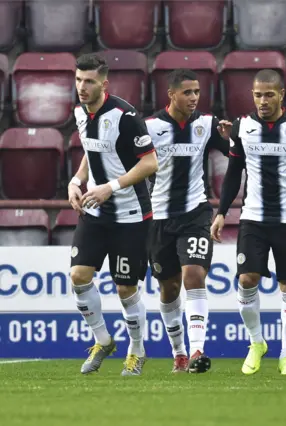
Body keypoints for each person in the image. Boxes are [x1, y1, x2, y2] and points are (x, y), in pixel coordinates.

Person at [210, 69, 286, 376]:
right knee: (246, 280)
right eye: (257, 95)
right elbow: (234, 173)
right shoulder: (242, 127)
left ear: (281, 94)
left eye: (269, 94)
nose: (262, 101)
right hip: (253, 218)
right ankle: (257, 343)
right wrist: (221, 212)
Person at [68, 53, 158, 376]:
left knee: (125, 288)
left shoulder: (125, 115)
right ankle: (103, 340)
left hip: (130, 214)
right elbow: (91, 151)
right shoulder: (80, 111)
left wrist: (111, 186)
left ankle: (137, 349)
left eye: (89, 81)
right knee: (79, 276)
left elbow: (150, 163)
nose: (82, 87)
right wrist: (76, 181)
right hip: (95, 211)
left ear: (104, 84)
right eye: (78, 80)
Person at [145, 69, 231, 374]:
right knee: (168, 288)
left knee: (194, 275)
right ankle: (179, 352)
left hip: (195, 213)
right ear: (171, 94)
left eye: (197, 92)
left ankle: (197, 350)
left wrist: (229, 139)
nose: (194, 98)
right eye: (187, 92)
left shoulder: (207, 124)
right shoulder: (151, 127)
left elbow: (234, 155)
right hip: (159, 218)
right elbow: (132, 164)